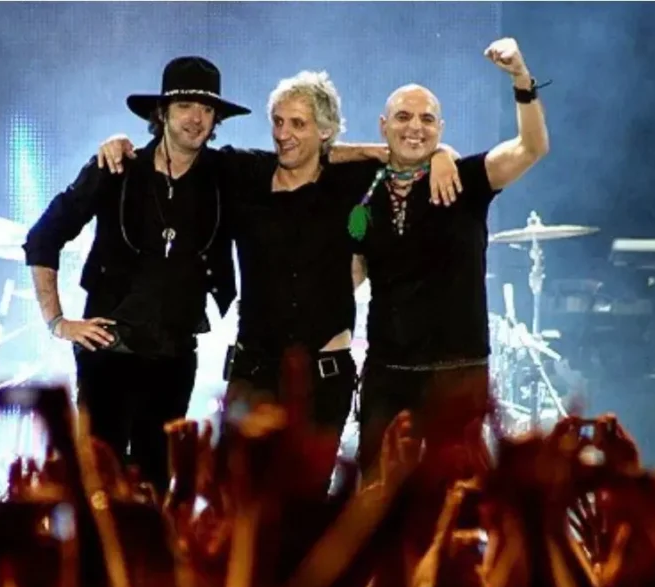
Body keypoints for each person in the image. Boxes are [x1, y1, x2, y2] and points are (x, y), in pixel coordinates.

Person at [96, 71, 461, 494]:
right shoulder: (245, 173)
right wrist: (118, 143)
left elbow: (407, 155)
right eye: (278, 122)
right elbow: (179, 149)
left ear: (325, 131)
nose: (283, 134)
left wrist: (442, 154)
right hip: (253, 372)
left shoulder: (351, 181)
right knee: (237, 500)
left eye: (298, 124)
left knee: (304, 505)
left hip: (323, 375)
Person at [22, 56, 248, 493]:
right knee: (97, 484)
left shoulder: (224, 176)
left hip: (173, 358)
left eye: (206, 108)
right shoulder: (117, 168)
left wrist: (382, 154)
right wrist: (58, 322)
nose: (196, 118)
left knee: (155, 485)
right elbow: (42, 238)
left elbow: (301, 158)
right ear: (162, 112)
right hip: (108, 353)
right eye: (185, 105)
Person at [351, 37, 550, 483]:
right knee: (377, 498)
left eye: (427, 120)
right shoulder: (365, 192)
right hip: (387, 372)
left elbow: (531, 147)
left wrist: (521, 78)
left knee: (458, 498)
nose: (415, 128)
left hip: (456, 374)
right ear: (383, 126)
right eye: (403, 117)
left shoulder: (465, 179)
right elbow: (355, 265)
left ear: (441, 128)